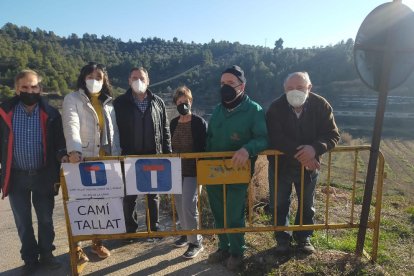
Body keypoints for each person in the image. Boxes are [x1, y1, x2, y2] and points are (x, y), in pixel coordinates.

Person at [266, 71, 340, 254]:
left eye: (299, 87)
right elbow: (276, 138)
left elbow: (332, 134)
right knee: (279, 203)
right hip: (280, 166)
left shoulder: (321, 105)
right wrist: (305, 154)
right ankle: (282, 239)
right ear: (284, 89)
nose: (294, 91)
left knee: (307, 204)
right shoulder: (275, 107)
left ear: (309, 88)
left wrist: (314, 149)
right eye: (290, 88)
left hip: (309, 168)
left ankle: (303, 237)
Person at [0, 69, 66, 273]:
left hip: (43, 176)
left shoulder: (52, 114)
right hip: (16, 176)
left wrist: (63, 156)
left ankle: (47, 253)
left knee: (45, 218)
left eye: (34, 86)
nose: (30, 90)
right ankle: (29, 259)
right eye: (25, 87)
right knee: (23, 221)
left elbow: (59, 144)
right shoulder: (4, 112)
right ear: (16, 89)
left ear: (41, 88)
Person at [206, 65, 268, 271]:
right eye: (222, 83)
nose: (225, 87)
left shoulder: (254, 110)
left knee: (233, 211)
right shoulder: (217, 110)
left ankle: (237, 251)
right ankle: (223, 247)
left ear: (242, 85)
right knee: (218, 211)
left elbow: (263, 138)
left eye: (230, 83)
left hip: (238, 170)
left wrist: (247, 148)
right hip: (213, 170)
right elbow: (210, 139)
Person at [62, 62, 121, 263]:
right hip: (82, 160)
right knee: (79, 205)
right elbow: (71, 124)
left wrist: (118, 157)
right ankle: (76, 248)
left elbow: (115, 133)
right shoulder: (72, 99)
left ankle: (97, 242)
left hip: (105, 161)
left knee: (100, 205)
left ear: (104, 81)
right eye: (90, 76)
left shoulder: (109, 102)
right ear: (83, 77)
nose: (94, 80)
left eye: (98, 77)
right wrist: (74, 150)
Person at [113, 67, 172, 239]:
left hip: (153, 156)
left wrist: (167, 153)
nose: (138, 81)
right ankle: (130, 230)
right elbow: (114, 131)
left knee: (153, 195)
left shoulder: (158, 102)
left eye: (142, 78)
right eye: (134, 77)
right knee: (129, 196)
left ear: (148, 81)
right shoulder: (119, 103)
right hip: (129, 156)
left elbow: (165, 129)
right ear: (129, 81)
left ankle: (153, 228)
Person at [170, 86, 207, 258]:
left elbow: (203, 148)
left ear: (190, 102)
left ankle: (196, 241)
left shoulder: (199, 122)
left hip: (194, 171)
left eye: (185, 101)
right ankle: (186, 234)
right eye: (179, 102)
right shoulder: (173, 123)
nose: (182, 104)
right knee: (179, 205)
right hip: (177, 171)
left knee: (188, 206)